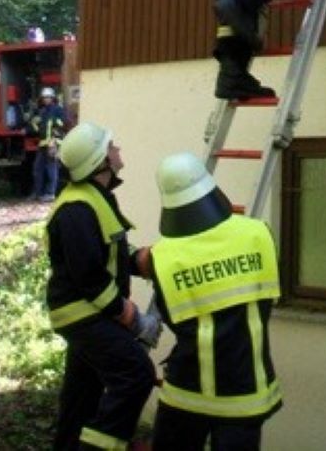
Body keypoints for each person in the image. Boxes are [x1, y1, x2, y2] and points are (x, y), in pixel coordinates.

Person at [135, 151, 282, 451]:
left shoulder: (162, 257)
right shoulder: (258, 234)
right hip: (246, 394)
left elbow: (171, 315)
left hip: (186, 395)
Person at [46, 122, 159, 450]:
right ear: (101, 162)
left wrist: (149, 261)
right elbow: (91, 277)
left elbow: (110, 256)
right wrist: (133, 318)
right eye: (111, 146)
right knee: (136, 374)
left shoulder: (94, 199)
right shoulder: (77, 209)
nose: (118, 149)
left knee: (82, 396)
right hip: (82, 314)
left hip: (86, 312)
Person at [28, 86, 69, 202]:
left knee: (51, 169)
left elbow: (62, 124)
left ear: (52, 98)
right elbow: (37, 128)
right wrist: (32, 125)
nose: (46, 99)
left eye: (48, 97)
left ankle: (50, 194)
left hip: (53, 143)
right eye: (44, 98)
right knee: (37, 169)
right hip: (42, 144)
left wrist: (54, 140)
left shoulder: (58, 110)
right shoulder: (42, 111)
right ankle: (38, 193)